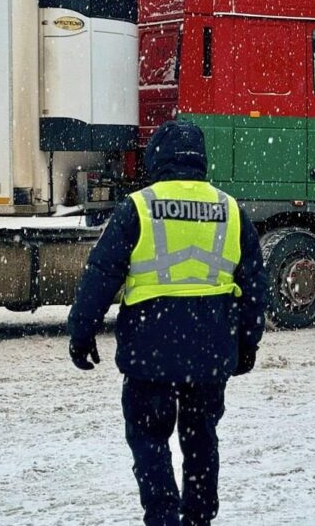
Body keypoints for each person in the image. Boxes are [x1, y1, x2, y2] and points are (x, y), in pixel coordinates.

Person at [67, 120, 267, 526]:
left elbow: (102, 273)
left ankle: (162, 517)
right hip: (210, 351)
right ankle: (198, 519)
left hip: (149, 352)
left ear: (156, 156)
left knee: (149, 439)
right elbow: (254, 286)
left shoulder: (138, 207)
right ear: (201, 159)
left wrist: (82, 330)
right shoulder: (231, 210)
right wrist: (247, 344)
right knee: (201, 439)